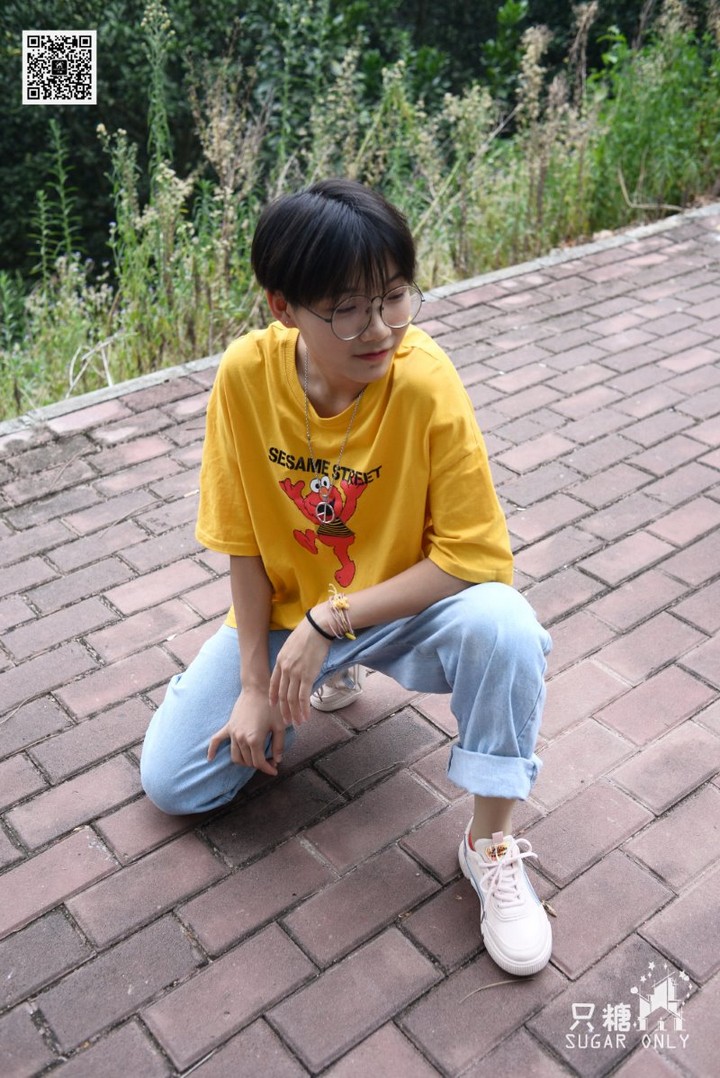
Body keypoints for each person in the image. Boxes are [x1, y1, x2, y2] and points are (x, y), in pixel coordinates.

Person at [140, 178, 553, 977]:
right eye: (349, 310)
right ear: (283, 307)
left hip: (403, 602)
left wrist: (330, 622)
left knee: (507, 627)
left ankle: (491, 843)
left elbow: (473, 556)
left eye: (395, 297)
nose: (381, 328)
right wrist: (254, 683)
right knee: (175, 784)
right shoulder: (245, 376)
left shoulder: (425, 380)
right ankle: (302, 676)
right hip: (293, 609)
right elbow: (243, 540)